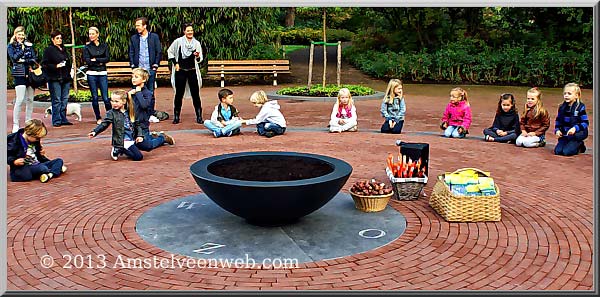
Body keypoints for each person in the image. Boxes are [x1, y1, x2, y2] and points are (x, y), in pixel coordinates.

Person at [88, 90, 144, 161]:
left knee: (143, 147)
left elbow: (137, 124)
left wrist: (140, 135)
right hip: (122, 140)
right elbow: (104, 124)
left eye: (116, 101)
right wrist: (95, 131)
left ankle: (120, 149)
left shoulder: (130, 111)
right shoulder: (111, 113)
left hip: (131, 138)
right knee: (138, 157)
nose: (114, 103)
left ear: (124, 102)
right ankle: (120, 148)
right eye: (112, 101)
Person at [129, 68, 175, 151]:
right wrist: (129, 96)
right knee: (133, 145)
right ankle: (151, 136)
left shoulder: (148, 93)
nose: (133, 79)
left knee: (146, 146)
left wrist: (139, 93)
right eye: (132, 77)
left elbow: (144, 105)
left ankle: (162, 138)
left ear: (144, 79)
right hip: (133, 125)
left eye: (136, 77)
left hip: (142, 124)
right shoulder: (132, 92)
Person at [167, 22, 204, 124]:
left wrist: (197, 55)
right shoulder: (178, 42)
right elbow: (170, 52)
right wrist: (176, 63)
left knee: (195, 94)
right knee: (179, 94)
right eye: (188, 30)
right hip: (181, 71)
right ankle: (176, 116)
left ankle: (199, 116)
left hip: (192, 70)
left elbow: (200, 58)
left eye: (191, 30)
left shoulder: (196, 43)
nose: (190, 32)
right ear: (184, 31)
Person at [8, 26, 37, 133]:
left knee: (30, 99)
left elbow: (33, 57)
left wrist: (25, 59)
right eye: (19, 34)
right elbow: (14, 58)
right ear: (15, 35)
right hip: (19, 73)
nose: (21, 36)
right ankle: (16, 124)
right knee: (20, 99)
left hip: (29, 73)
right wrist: (22, 50)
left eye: (22, 34)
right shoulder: (11, 46)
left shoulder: (29, 45)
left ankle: (28, 121)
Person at [41, 30, 72, 127]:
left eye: (60, 38)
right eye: (57, 38)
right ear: (52, 39)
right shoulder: (49, 50)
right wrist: (55, 66)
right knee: (57, 99)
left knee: (65, 99)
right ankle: (56, 119)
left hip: (65, 77)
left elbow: (68, 62)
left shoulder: (63, 49)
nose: (59, 40)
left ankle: (63, 118)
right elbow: (44, 64)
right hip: (54, 78)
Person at [83, 26, 111, 124]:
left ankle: (110, 116)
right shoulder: (87, 47)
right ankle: (98, 117)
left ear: (97, 34)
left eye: (93, 33)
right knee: (94, 97)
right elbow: (87, 61)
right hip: (92, 73)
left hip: (102, 73)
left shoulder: (104, 46)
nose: (91, 36)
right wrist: (98, 61)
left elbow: (107, 58)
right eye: (89, 34)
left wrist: (97, 60)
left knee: (106, 98)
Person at [554, 83, 589, 156]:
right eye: (565, 93)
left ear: (576, 96)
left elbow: (585, 123)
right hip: (565, 135)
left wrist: (575, 128)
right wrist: (557, 130)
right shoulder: (562, 107)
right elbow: (558, 120)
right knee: (558, 151)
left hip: (575, 136)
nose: (566, 95)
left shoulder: (580, 107)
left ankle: (580, 145)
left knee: (567, 152)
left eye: (569, 94)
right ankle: (567, 143)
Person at [128, 17, 161, 93]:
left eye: (138, 25)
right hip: (138, 70)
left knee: (150, 92)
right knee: (136, 92)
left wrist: (155, 66)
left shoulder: (154, 37)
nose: (137, 28)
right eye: (136, 26)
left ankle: (150, 105)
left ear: (144, 26)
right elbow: (131, 52)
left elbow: (158, 52)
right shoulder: (134, 38)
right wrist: (133, 66)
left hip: (150, 69)